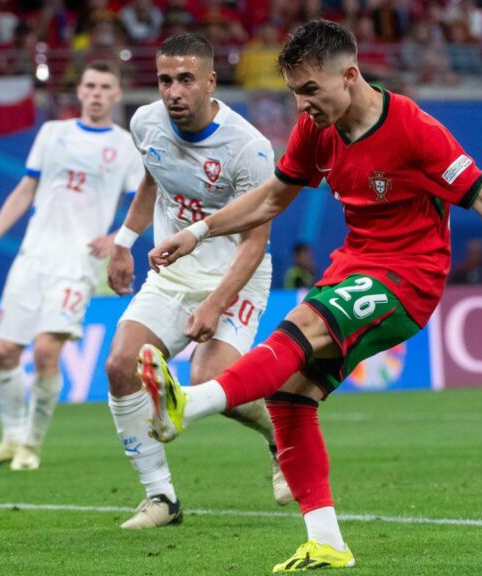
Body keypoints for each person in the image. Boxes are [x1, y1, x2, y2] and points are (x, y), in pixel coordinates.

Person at [143, 20, 482, 571]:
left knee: (305, 323)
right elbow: (272, 198)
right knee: (290, 397)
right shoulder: (316, 129)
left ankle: (191, 404)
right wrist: (197, 232)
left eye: (310, 90)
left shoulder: (415, 130)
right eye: (294, 93)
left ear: (350, 76)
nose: (302, 105)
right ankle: (326, 541)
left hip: (409, 278)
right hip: (355, 267)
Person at [104, 33, 290, 530]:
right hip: (173, 272)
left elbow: (255, 242)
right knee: (120, 365)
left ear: (210, 82)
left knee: (210, 380)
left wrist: (214, 305)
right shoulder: (145, 122)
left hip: (235, 274)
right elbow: (153, 177)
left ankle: (280, 437)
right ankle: (161, 499)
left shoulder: (248, 148)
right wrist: (124, 240)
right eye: (165, 80)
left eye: (185, 80)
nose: (173, 92)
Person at [0, 61, 143, 471]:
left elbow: (140, 200)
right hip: (33, 255)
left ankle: (31, 445)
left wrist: (117, 236)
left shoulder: (126, 144)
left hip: (78, 261)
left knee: (45, 350)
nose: (96, 93)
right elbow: (26, 189)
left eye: (105, 87)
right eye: (90, 85)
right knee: (3, 349)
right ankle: (9, 440)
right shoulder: (52, 134)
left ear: (117, 94)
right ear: (79, 92)